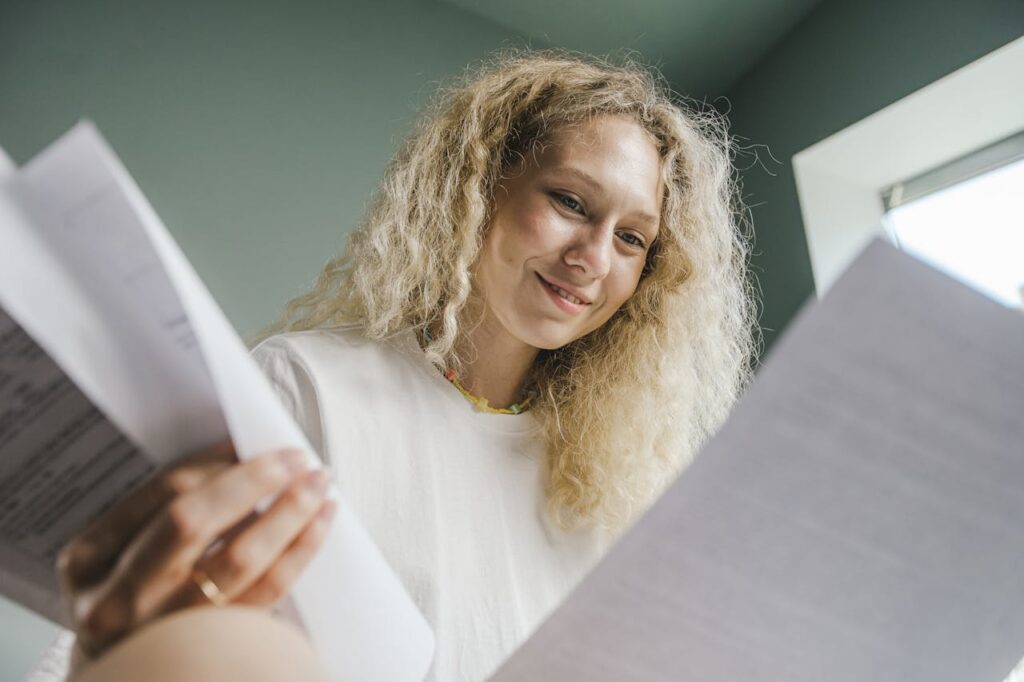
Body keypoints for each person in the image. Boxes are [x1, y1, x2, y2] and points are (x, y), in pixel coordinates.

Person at [34, 49, 757, 681]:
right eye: (570, 201)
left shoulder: (616, 478)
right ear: (479, 187)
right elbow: (142, 636)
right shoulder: (308, 385)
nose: (593, 259)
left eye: (632, 239)